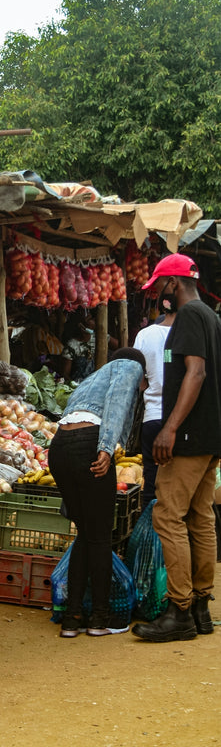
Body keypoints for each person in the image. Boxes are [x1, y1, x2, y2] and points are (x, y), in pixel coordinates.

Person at [132, 254, 221, 643]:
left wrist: (169, 428)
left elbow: (196, 372)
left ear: (173, 284)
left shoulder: (188, 316)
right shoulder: (211, 315)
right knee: (201, 517)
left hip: (187, 438)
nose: (156, 294)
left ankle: (179, 609)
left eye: (158, 287)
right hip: (209, 436)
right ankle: (201, 606)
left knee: (168, 517)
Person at [48, 347, 147, 638]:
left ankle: (72, 619)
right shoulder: (129, 367)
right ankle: (100, 619)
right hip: (88, 444)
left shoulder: (94, 377)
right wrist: (106, 447)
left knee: (86, 535)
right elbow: (117, 403)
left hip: (60, 448)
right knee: (102, 536)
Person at [133, 302, 176, 510]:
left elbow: (139, 382)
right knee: (177, 486)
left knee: (151, 481)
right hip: (182, 420)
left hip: (153, 417)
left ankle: (149, 534)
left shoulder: (145, 335)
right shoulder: (191, 333)